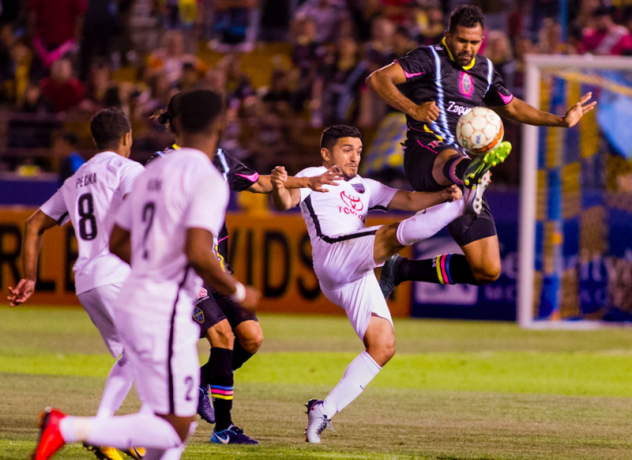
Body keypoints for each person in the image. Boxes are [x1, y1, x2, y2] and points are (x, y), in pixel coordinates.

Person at [29, 89, 260, 460]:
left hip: (135, 299)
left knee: (170, 426)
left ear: (177, 123)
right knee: (175, 426)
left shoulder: (154, 169)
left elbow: (118, 240)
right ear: (222, 124)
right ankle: (66, 426)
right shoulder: (206, 177)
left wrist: (154, 267)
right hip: (164, 309)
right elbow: (201, 253)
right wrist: (238, 290)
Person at [149, 92, 343, 445]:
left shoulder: (220, 160)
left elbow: (262, 183)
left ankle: (199, 383)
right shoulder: (163, 163)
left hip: (217, 270)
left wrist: (307, 182)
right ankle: (223, 429)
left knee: (251, 337)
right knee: (221, 335)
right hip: (186, 272)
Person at [366, 4, 596, 297]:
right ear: (448, 36)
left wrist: (561, 121)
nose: (468, 48)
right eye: (462, 40)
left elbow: (511, 106)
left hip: (462, 180)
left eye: (475, 42)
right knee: (453, 159)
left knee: (487, 269)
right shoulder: (428, 59)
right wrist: (414, 108)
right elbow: (377, 79)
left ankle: (401, 269)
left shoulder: (485, 70)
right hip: (426, 154)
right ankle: (471, 173)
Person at [270, 125, 471, 443]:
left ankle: (323, 411)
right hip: (333, 253)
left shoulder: (366, 186)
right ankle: (465, 205)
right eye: (346, 149)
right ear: (326, 154)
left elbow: (408, 199)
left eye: (359, 150)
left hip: (353, 276)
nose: (355, 156)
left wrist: (444, 194)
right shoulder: (313, 175)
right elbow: (286, 200)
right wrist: (280, 188)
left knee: (383, 346)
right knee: (390, 235)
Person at [8, 108, 145, 460]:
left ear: (95, 140)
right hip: (118, 273)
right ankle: (116, 430)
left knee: (135, 354)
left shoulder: (77, 177)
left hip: (86, 281)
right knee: (160, 347)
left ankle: (118, 431)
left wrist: (28, 276)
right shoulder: (129, 169)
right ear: (127, 137)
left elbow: (33, 224)